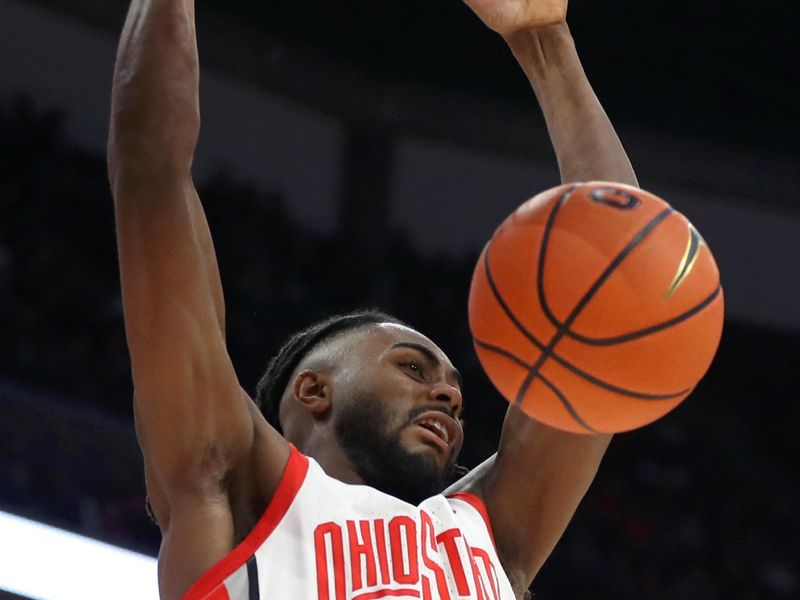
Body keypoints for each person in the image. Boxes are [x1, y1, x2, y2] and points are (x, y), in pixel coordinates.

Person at [108, 1, 639, 598]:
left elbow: (615, 272)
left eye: (457, 399)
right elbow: (151, 167)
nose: (448, 395)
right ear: (314, 390)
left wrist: (544, 39)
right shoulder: (233, 488)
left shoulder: (489, 535)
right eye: (412, 367)